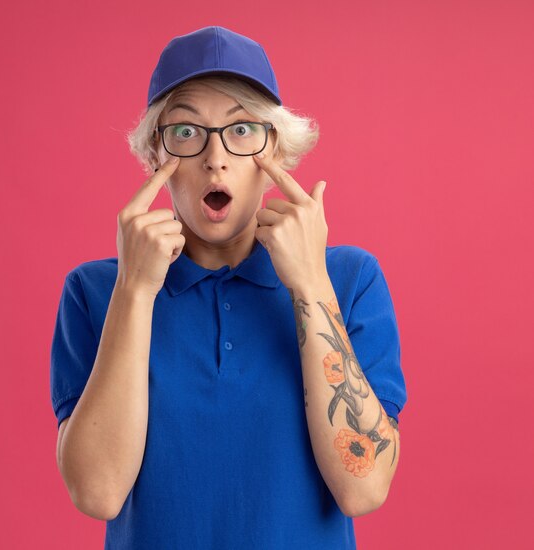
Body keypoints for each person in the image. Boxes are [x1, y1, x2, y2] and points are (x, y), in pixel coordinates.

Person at [50, 25, 407, 549]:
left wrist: (309, 285)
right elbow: (98, 493)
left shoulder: (349, 281)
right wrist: (135, 291)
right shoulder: (96, 291)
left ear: (276, 153)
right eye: (187, 132)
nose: (215, 157)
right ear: (156, 155)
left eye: (242, 130)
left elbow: (365, 488)